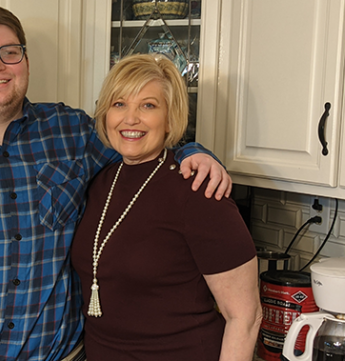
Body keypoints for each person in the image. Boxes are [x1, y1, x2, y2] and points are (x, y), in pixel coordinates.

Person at [0, 6, 232, 361]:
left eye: (10, 52)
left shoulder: (73, 132)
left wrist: (194, 151)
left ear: (26, 62)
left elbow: (142, 140)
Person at [71, 54, 261, 361]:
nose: (130, 119)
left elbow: (245, 316)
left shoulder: (198, 189)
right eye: (119, 104)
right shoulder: (100, 181)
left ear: (170, 117)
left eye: (148, 105)